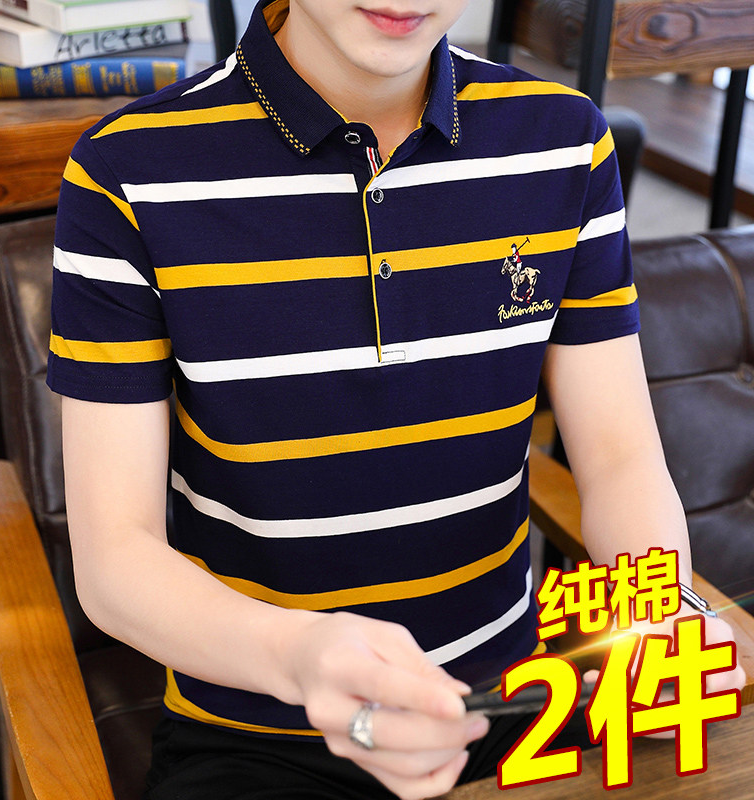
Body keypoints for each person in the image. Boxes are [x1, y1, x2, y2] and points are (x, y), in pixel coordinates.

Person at [47, 1, 745, 799]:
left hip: (519, 704)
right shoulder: (124, 168)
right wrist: (300, 658)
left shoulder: (564, 140)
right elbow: (115, 559)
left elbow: (620, 457)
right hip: (260, 731)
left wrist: (657, 613)